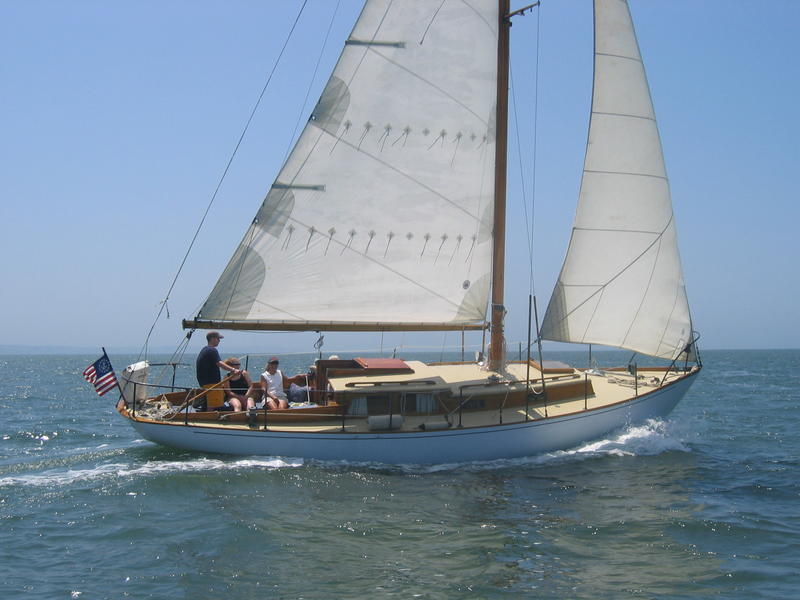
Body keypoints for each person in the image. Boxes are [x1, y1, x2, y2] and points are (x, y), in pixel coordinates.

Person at [194, 331, 240, 411]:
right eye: (218, 339)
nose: (219, 341)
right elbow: (219, 363)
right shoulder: (211, 350)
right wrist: (233, 370)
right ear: (212, 339)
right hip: (211, 383)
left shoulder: (205, 350)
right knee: (213, 406)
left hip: (206, 382)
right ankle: (208, 420)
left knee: (214, 403)